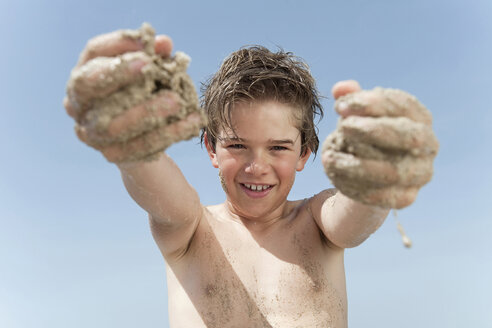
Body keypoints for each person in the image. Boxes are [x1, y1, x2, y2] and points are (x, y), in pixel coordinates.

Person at [64, 25, 438, 328]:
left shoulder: (317, 221)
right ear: (211, 148)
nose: (256, 166)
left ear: (305, 153)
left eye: (278, 148)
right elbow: (159, 189)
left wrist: (377, 178)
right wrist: (130, 147)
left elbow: (353, 218)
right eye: (238, 146)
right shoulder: (191, 228)